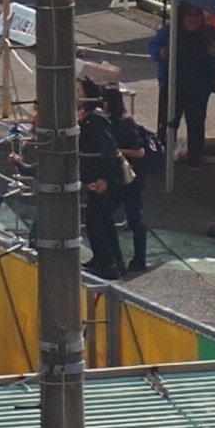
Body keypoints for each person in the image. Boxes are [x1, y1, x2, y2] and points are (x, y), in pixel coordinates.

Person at [79, 78, 157, 278]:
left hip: (129, 178)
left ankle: (127, 261)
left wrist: (115, 152)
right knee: (104, 218)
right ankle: (114, 261)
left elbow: (138, 151)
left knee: (132, 219)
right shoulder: (108, 120)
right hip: (120, 177)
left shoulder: (120, 122)